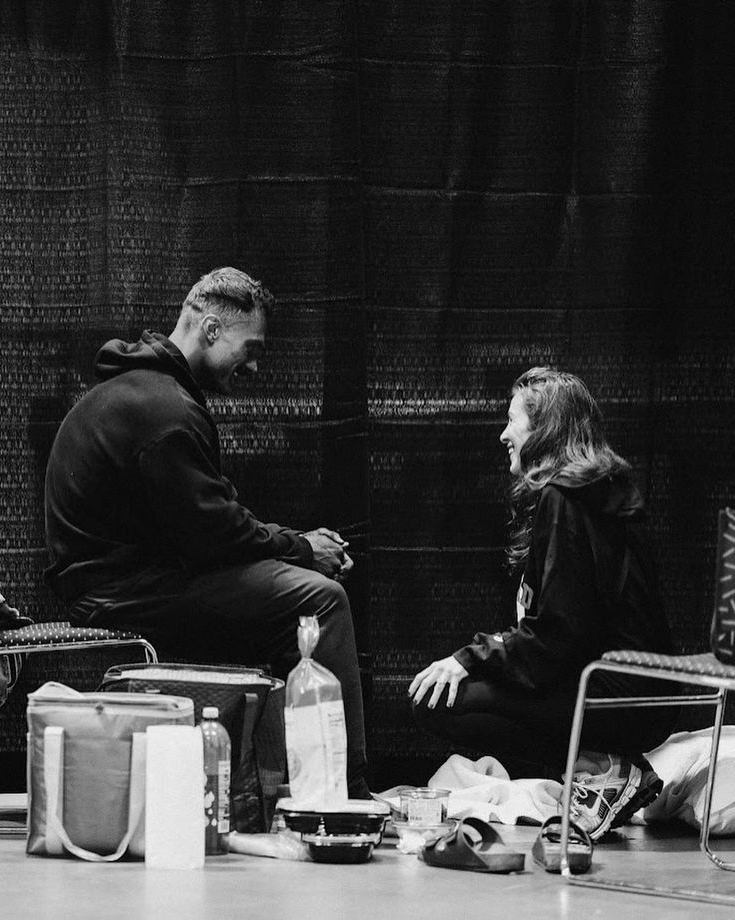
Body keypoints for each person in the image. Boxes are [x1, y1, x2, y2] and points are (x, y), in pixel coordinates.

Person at [44, 266, 369, 798]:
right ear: (212, 329)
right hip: (124, 596)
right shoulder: (163, 409)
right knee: (319, 602)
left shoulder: (144, 393)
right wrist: (303, 549)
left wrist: (295, 545)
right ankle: (344, 794)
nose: (256, 365)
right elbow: (216, 536)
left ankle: (281, 787)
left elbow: (210, 523)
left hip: (133, 580)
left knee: (292, 586)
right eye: (252, 346)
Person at [409, 367, 679, 839]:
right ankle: (605, 767)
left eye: (513, 420)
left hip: (618, 695)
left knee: (442, 701)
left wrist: (468, 658)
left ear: (544, 428)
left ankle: (608, 768)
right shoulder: (591, 493)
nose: (503, 434)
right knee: (451, 691)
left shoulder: (566, 498)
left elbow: (556, 637)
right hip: (634, 692)